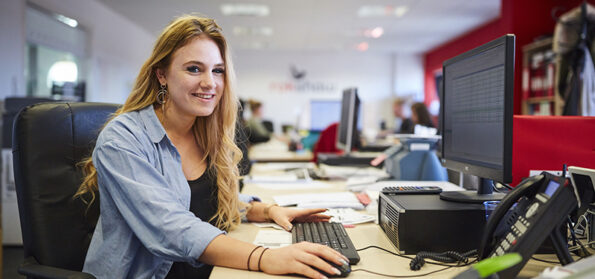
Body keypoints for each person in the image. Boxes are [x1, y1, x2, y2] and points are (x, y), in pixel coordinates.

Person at [75, 15, 348, 279]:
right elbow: (170, 227)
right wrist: (265, 258)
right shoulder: (123, 138)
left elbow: (205, 203)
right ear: (162, 75)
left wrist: (266, 211)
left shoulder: (204, 131)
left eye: (217, 70)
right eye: (194, 68)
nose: (210, 83)